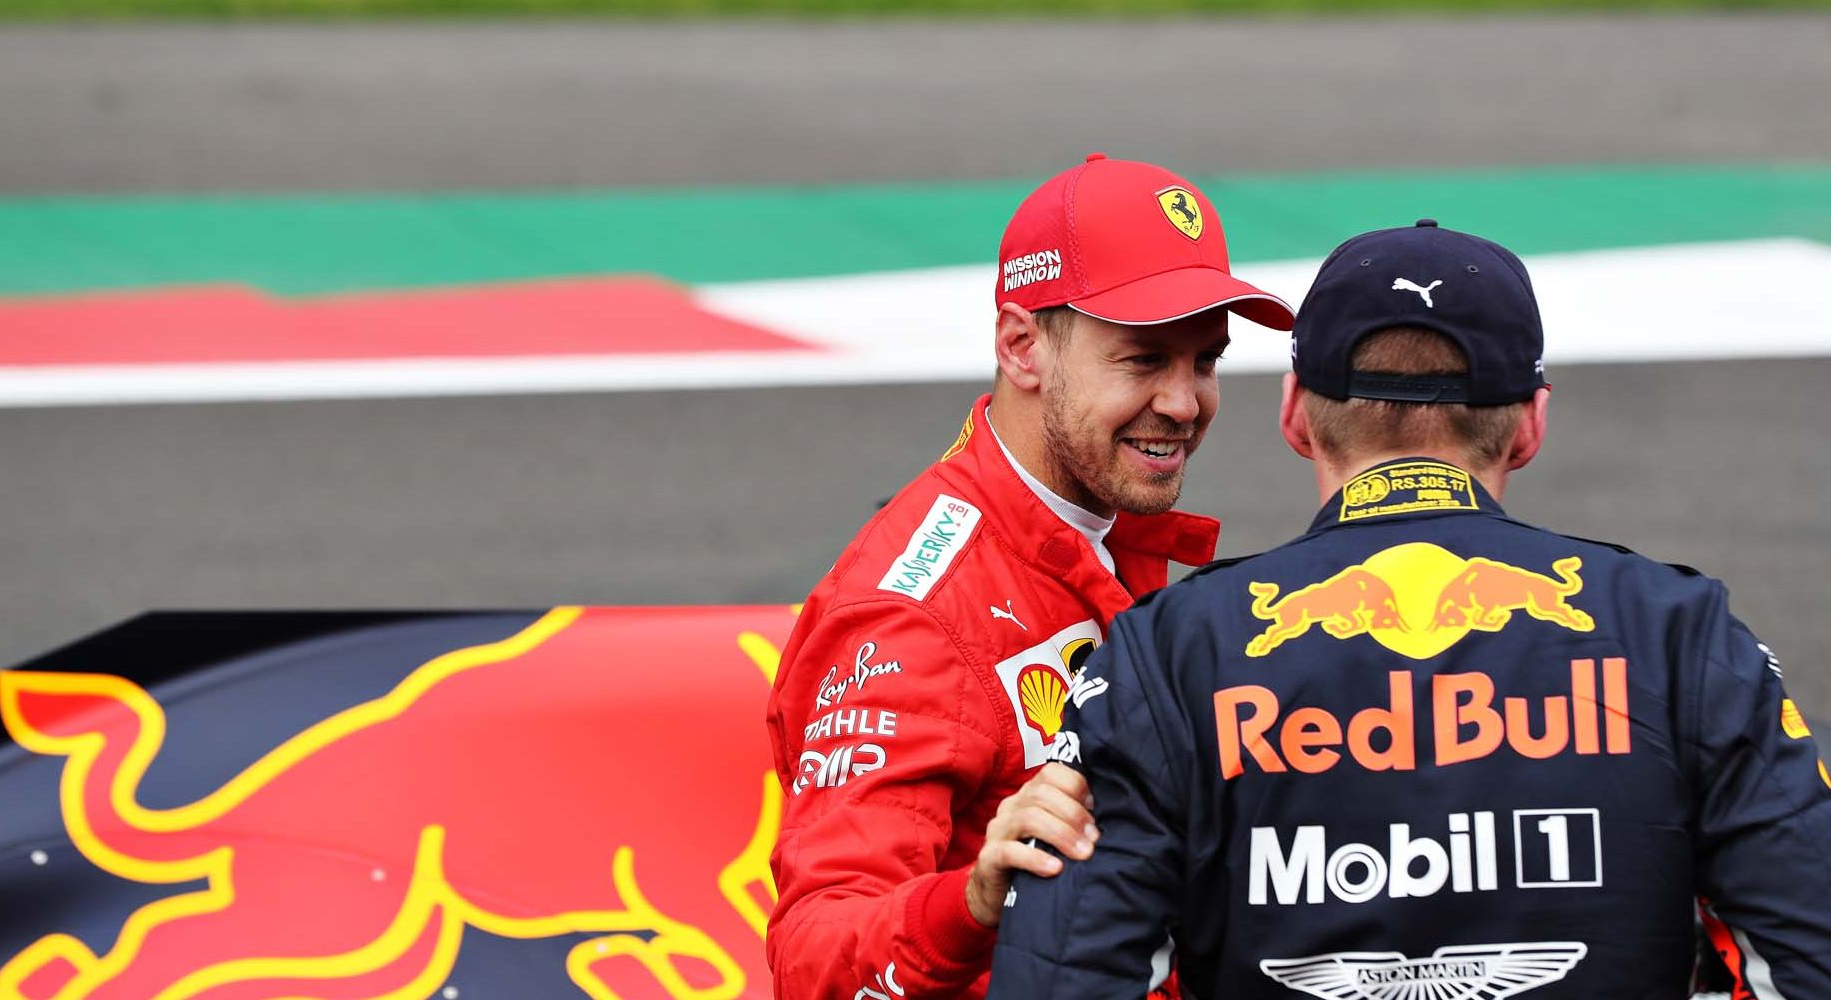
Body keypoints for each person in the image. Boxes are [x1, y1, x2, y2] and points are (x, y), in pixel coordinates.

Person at [989, 220, 1831, 999]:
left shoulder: (1169, 650)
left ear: (1295, 415)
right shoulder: (1676, 631)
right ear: (1530, 425)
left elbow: (1067, 974)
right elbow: (1810, 947)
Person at [762, 153, 1295, 1000]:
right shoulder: (912, 612)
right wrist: (973, 900)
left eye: (1205, 361)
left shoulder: (1118, 533)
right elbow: (813, 958)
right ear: (1022, 348)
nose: (1187, 402)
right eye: (1144, 360)